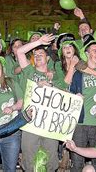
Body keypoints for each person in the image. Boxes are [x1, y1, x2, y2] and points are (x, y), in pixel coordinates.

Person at [16, 33, 60, 172]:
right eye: (36, 55)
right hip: (30, 123)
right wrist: (39, 41)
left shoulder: (56, 75)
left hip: (50, 125)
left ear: (48, 58)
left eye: (41, 54)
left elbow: (65, 93)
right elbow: (19, 51)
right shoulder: (29, 71)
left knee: (51, 159)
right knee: (29, 159)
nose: (38, 56)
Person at [69, 34, 96, 172]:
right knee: (77, 163)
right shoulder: (78, 73)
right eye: (94, 50)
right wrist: (76, 96)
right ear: (87, 53)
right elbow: (71, 94)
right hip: (80, 123)